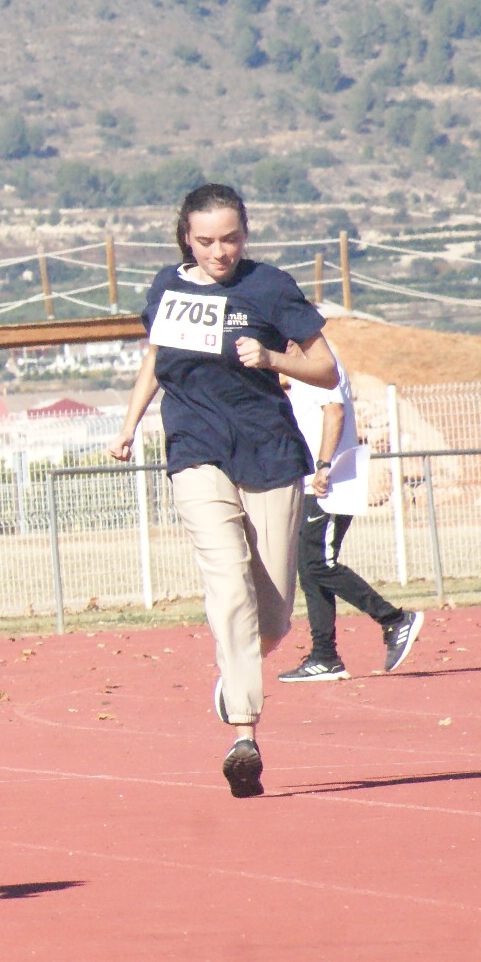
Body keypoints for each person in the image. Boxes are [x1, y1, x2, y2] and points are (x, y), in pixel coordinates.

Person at [111, 182, 339, 799]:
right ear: (186, 236)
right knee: (228, 586)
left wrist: (271, 357)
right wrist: (130, 425)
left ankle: (236, 672)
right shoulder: (168, 287)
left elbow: (326, 369)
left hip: (269, 453)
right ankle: (245, 735)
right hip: (195, 450)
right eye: (207, 240)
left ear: (247, 234)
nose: (220, 252)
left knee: (273, 618)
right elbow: (156, 356)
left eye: (231, 238)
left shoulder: (270, 288)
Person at [275, 349, 425, 682]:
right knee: (310, 567)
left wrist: (324, 465)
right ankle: (324, 656)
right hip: (314, 482)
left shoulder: (321, 362)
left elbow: (335, 412)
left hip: (329, 482)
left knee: (319, 563)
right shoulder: (303, 368)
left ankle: (394, 619)